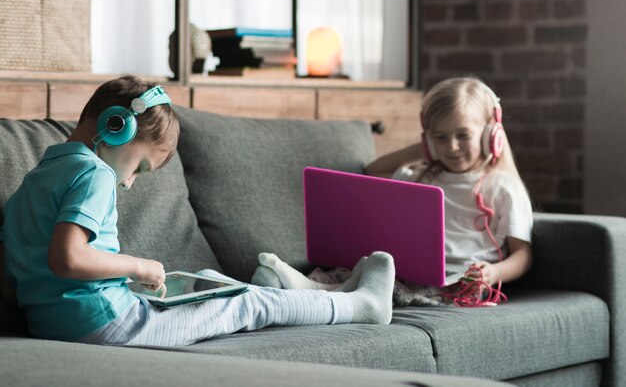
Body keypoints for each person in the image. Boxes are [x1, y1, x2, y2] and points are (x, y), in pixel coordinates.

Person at [0, 75, 395, 347]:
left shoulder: (39, 177)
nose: (130, 182)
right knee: (245, 303)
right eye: (140, 167)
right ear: (117, 127)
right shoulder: (95, 174)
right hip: (106, 323)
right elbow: (67, 258)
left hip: (59, 324)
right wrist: (137, 266)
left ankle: (319, 291)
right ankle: (361, 306)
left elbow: (22, 271)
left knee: (208, 282)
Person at [251, 77, 533, 307]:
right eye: (440, 137)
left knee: (382, 281)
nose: (452, 147)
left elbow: (523, 255)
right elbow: (373, 170)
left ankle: (306, 291)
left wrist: (494, 272)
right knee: (371, 266)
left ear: (490, 136)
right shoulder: (425, 176)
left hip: (460, 283)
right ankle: (299, 287)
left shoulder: (503, 187)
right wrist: (423, 150)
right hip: (410, 271)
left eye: (463, 135)